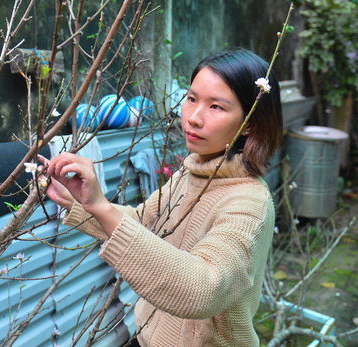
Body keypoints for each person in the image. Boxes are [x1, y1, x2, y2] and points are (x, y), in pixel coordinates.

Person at [44, 48, 283, 346]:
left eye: (216, 107)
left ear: (249, 123)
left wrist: (101, 207)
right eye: (192, 99)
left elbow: (202, 289)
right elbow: (144, 224)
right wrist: (79, 201)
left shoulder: (250, 204)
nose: (193, 118)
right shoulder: (192, 171)